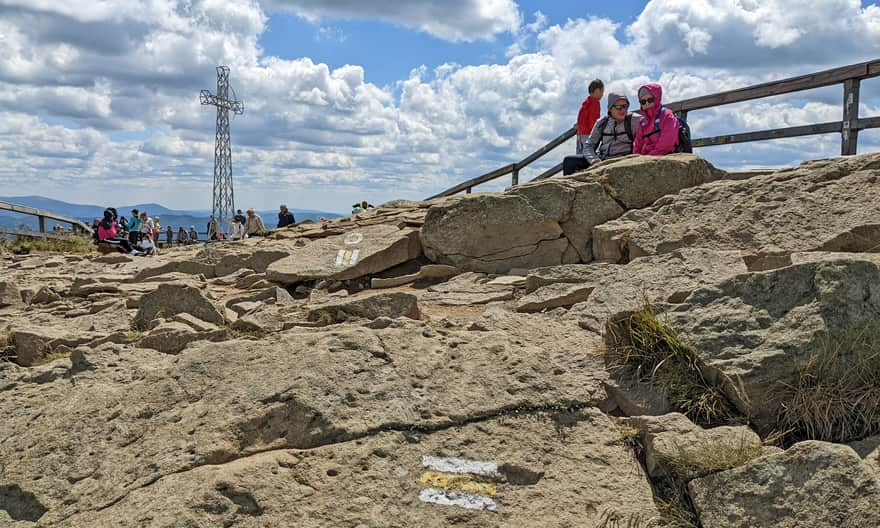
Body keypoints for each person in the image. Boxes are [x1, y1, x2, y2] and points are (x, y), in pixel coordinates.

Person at [581, 92, 641, 168]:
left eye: (625, 106)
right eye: (619, 107)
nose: (623, 110)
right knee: (570, 160)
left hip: (626, 160)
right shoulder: (602, 123)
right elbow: (589, 145)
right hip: (604, 161)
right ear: (610, 108)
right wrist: (593, 160)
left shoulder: (634, 120)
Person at [633, 83, 679, 156]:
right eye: (643, 102)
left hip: (665, 156)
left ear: (657, 98)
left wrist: (649, 157)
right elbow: (637, 145)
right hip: (645, 159)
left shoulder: (667, 115)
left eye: (650, 100)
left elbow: (667, 143)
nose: (647, 103)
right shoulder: (642, 122)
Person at [576, 79, 604, 155]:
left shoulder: (586, 102)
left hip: (580, 135)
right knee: (590, 155)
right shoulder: (595, 103)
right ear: (598, 90)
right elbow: (594, 121)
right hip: (588, 134)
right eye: (602, 91)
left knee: (581, 156)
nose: (602, 94)